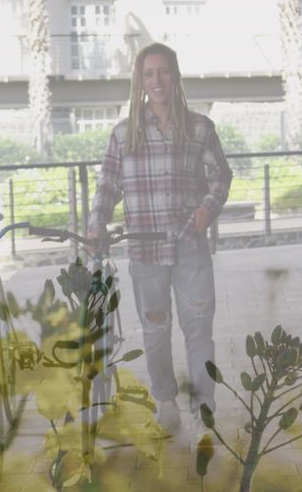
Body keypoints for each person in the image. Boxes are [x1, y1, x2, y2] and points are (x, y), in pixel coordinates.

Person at [87, 42, 232, 438]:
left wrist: (206, 210)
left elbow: (221, 176)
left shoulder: (200, 127)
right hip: (146, 249)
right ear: (140, 81)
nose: (157, 80)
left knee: (199, 329)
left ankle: (204, 408)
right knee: (155, 332)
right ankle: (165, 402)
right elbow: (107, 185)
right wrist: (96, 224)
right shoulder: (124, 134)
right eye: (149, 74)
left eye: (163, 71)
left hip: (190, 246)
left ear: (175, 76)